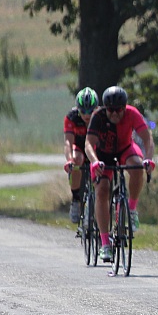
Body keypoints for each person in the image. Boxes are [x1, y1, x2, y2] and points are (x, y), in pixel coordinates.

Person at [85, 86, 156, 263]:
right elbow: (88, 143)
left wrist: (148, 159)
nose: (115, 114)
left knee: (137, 167)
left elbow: (147, 139)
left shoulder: (132, 113)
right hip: (103, 155)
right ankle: (105, 244)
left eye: (119, 110)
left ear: (125, 107)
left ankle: (131, 209)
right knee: (102, 190)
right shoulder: (98, 116)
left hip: (125, 148)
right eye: (111, 110)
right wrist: (94, 161)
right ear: (105, 108)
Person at [64, 87, 97, 223]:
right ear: (78, 109)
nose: (87, 115)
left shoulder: (100, 116)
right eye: (83, 111)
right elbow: (68, 142)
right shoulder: (72, 117)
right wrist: (69, 160)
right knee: (77, 159)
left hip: (95, 148)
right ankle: (76, 199)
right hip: (79, 148)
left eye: (91, 111)